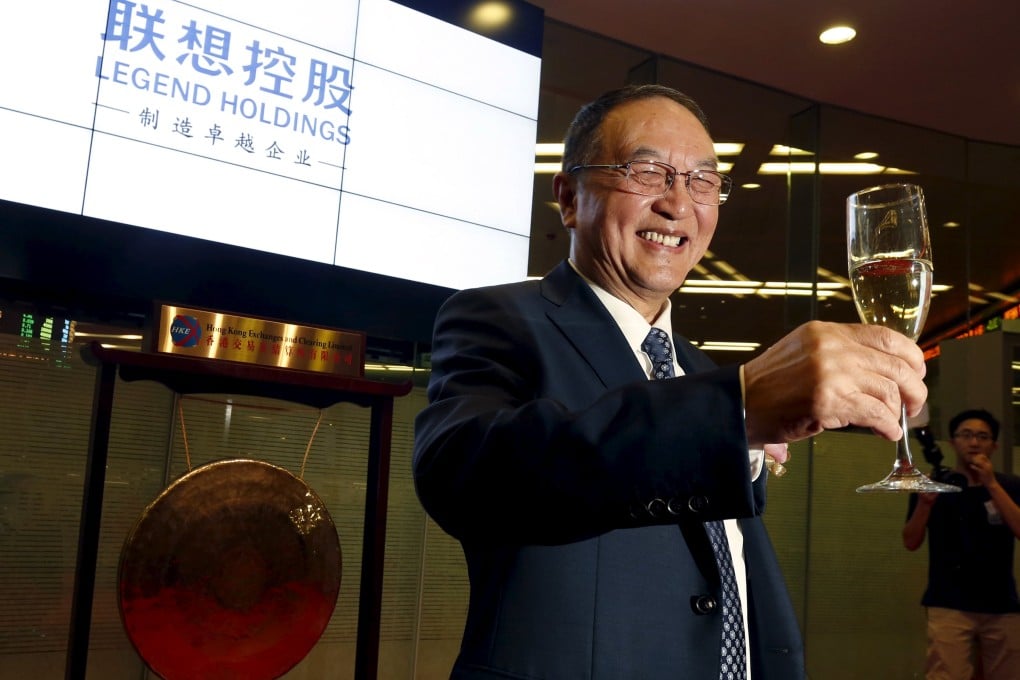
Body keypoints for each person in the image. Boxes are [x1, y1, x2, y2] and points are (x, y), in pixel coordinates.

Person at [412, 83, 928, 679]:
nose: (678, 203)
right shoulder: (495, 318)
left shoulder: (700, 370)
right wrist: (737, 409)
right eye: (648, 171)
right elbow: (465, 474)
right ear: (569, 198)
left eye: (703, 181)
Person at [903, 408, 1020, 679]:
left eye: (982, 436)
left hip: (1002, 603)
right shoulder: (935, 485)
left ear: (994, 445)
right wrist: (924, 504)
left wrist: (990, 483)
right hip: (948, 601)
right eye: (966, 435)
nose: (974, 442)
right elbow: (910, 541)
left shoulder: (1009, 486)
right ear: (953, 442)